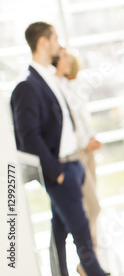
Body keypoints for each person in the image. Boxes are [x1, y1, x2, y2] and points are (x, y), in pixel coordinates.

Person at [10, 22, 108, 276]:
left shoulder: (50, 77)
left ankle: (59, 273)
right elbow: (28, 136)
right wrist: (56, 172)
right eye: (54, 38)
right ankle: (95, 271)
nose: (58, 43)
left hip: (72, 165)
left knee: (59, 230)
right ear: (43, 42)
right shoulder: (27, 85)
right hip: (59, 169)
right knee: (81, 230)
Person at [52, 49, 102, 261]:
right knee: (92, 207)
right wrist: (84, 141)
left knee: (90, 207)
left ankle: (90, 260)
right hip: (76, 154)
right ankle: (89, 262)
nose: (68, 58)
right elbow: (67, 126)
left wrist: (91, 137)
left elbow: (81, 119)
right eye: (63, 55)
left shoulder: (69, 85)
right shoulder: (54, 87)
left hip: (87, 150)